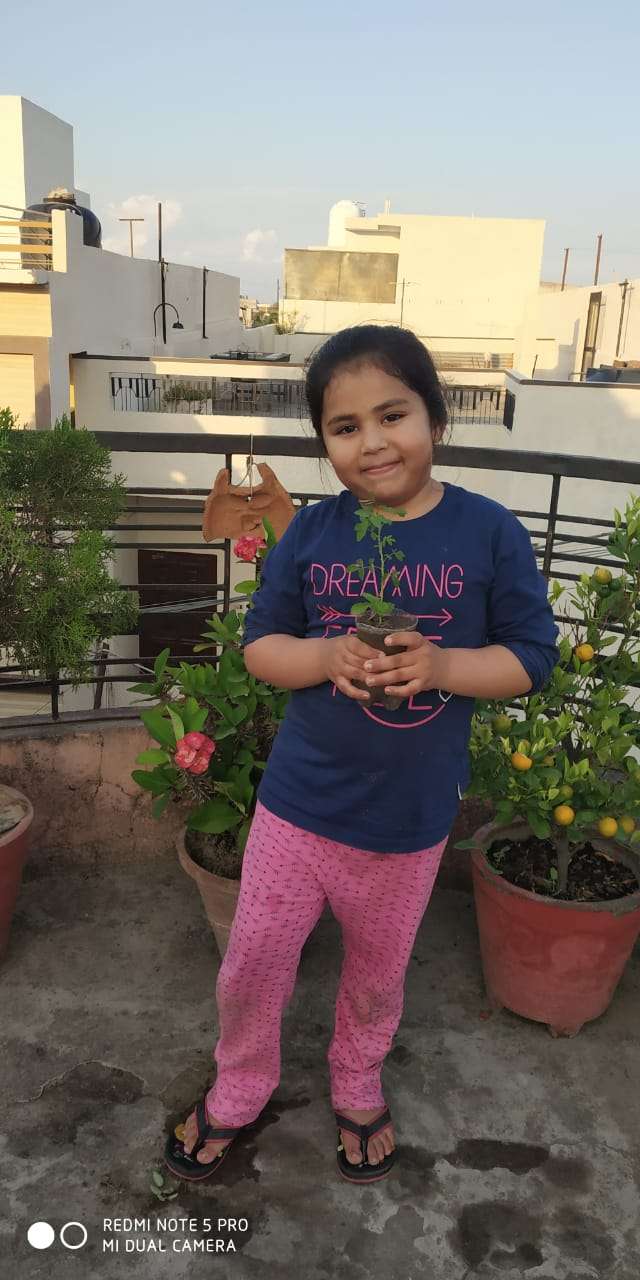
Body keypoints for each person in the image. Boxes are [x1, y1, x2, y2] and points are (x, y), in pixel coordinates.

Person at [165, 324, 560, 1185]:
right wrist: (326, 656)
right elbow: (262, 647)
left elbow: (532, 657)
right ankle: (241, 1083)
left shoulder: (488, 532)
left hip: (406, 823)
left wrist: (444, 666)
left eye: (393, 415)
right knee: (253, 964)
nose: (373, 442)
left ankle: (356, 1078)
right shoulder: (313, 534)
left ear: (436, 420)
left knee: (378, 979)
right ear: (325, 444)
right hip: (297, 809)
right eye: (345, 427)